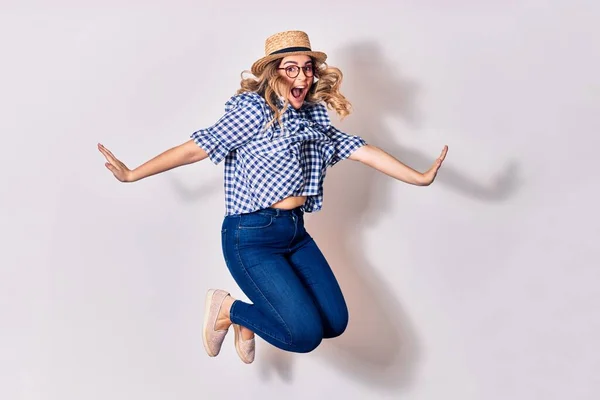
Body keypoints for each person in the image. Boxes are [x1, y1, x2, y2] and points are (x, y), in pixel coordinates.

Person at [98, 30, 448, 364]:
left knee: (334, 322)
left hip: (295, 232)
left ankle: (244, 320)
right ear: (273, 73)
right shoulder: (254, 110)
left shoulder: (312, 115)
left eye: (307, 68)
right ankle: (229, 310)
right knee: (303, 336)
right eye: (291, 68)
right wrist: (132, 173)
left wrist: (418, 178)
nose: (303, 76)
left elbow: (359, 149)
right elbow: (196, 149)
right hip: (251, 237)